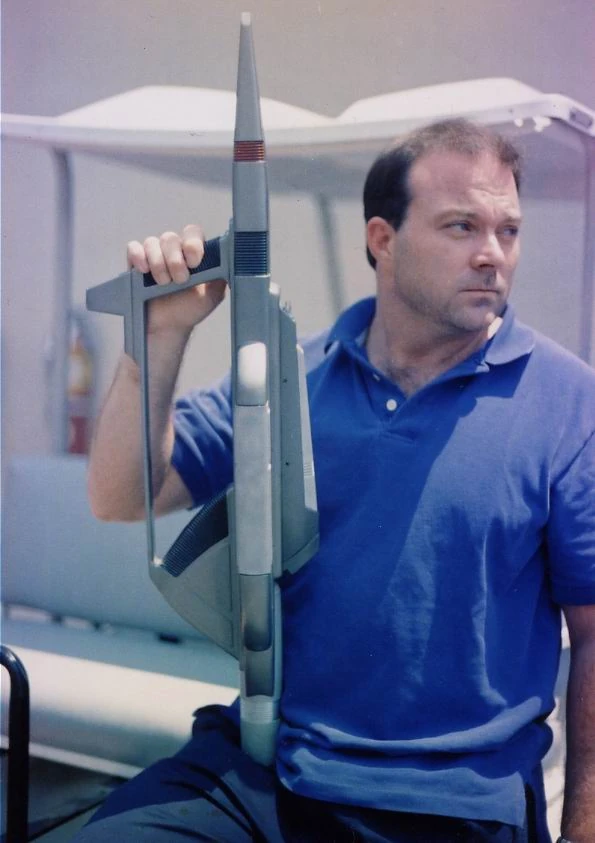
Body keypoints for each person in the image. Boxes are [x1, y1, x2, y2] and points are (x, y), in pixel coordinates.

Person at [76, 119, 595, 843]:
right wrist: (159, 338)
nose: (492, 254)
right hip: (268, 766)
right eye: (461, 226)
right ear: (383, 239)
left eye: (508, 231)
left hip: (451, 803)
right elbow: (121, 496)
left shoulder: (570, 403)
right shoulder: (293, 376)